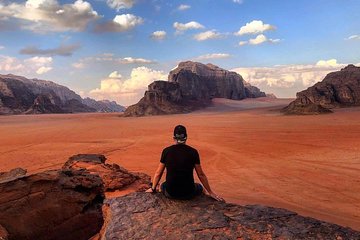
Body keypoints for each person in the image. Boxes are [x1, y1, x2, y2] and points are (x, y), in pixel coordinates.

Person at [146, 125, 224, 201]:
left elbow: (158, 173)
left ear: (174, 138)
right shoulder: (193, 152)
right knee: (201, 188)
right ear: (186, 137)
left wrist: (153, 189)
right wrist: (210, 192)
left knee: (162, 186)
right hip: (189, 193)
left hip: (170, 193)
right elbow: (201, 174)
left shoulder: (166, 151)